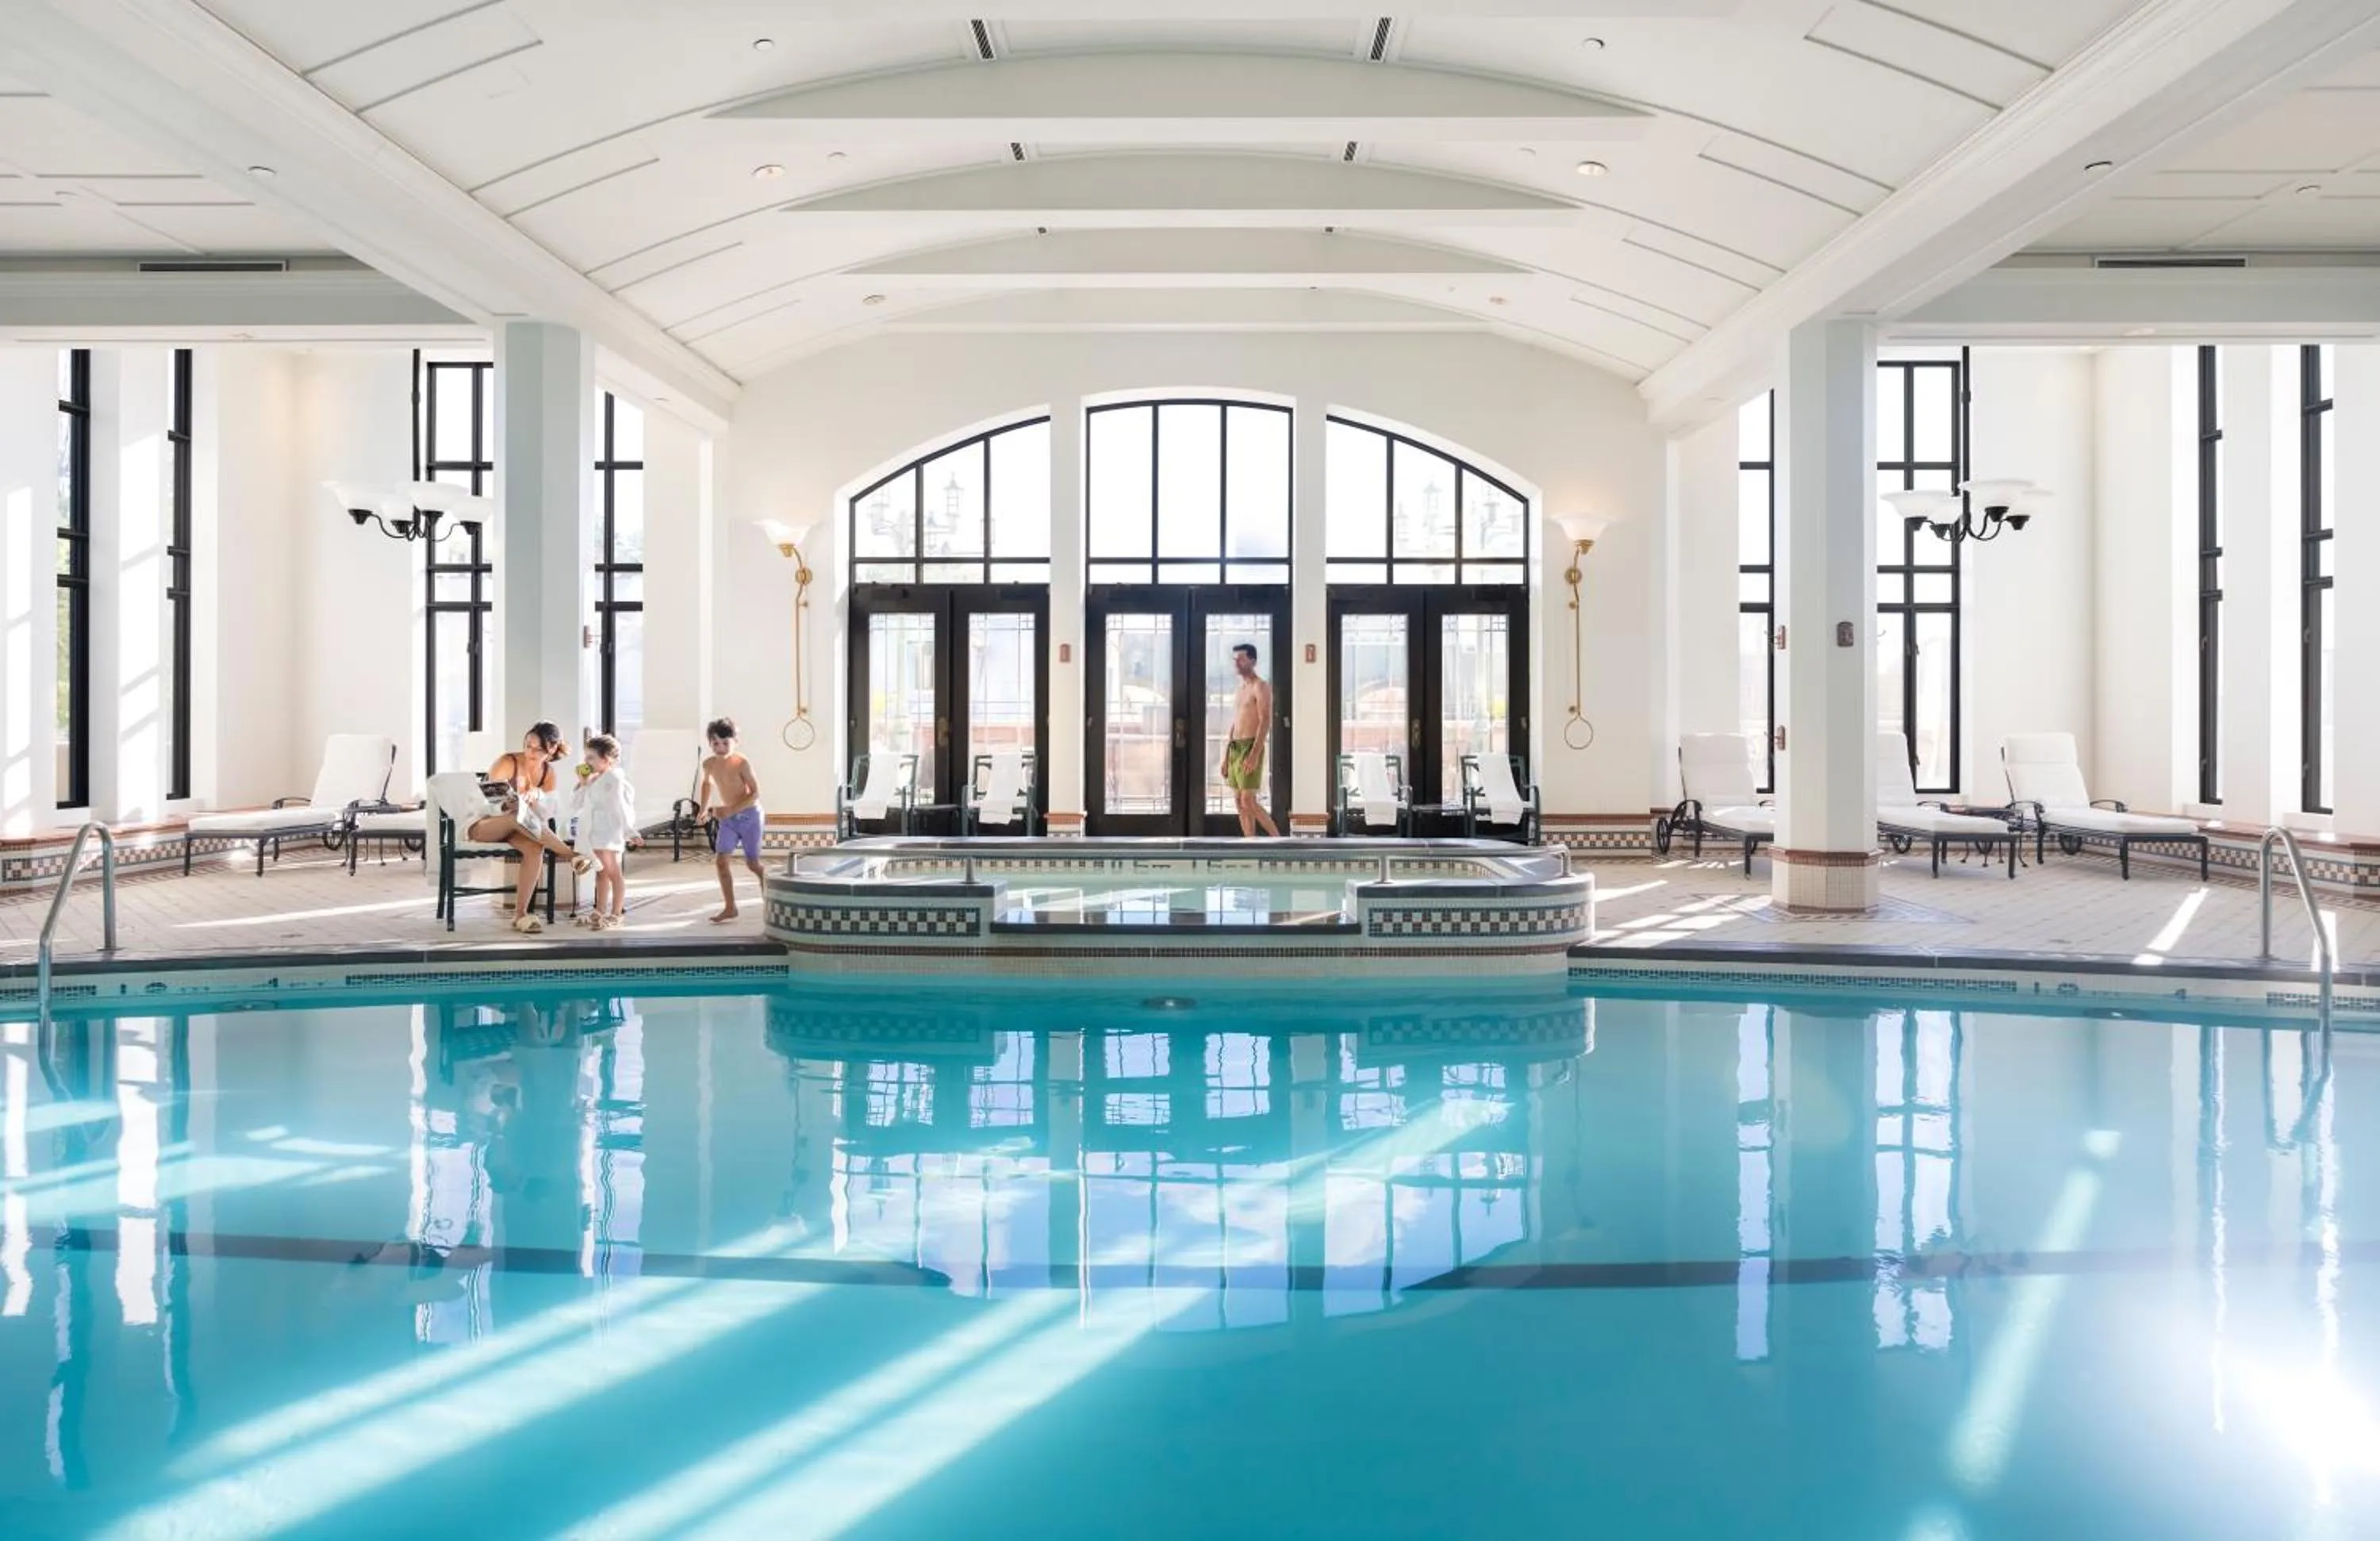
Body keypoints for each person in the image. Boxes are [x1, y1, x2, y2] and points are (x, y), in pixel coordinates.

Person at [467, 721, 590, 934]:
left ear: (551, 750)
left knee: (535, 849)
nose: (531, 752)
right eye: (528, 746)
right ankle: (572, 856)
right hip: (483, 824)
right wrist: (510, 804)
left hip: (517, 829)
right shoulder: (508, 762)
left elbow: (548, 814)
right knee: (517, 816)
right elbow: (485, 802)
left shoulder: (547, 773)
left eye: (538, 748)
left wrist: (537, 796)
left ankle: (520, 915)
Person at [697, 716, 766, 923]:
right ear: (710, 744)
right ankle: (730, 907)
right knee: (721, 862)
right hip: (729, 819)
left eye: (726, 743)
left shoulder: (741, 763)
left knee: (753, 864)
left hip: (749, 816)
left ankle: (770, 899)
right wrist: (703, 808)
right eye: (716, 743)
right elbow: (707, 784)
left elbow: (755, 793)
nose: (721, 747)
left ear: (736, 742)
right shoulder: (708, 764)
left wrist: (731, 810)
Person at [572, 732, 634, 930]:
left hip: (609, 833)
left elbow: (622, 806)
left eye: (591, 757)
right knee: (600, 873)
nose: (586, 762)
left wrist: (630, 831)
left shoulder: (614, 779)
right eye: (586, 757)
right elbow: (575, 804)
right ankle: (599, 911)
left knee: (613, 872)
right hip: (594, 833)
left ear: (606, 760)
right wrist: (583, 783)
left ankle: (616, 914)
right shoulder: (592, 780)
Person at [1221, 643, 1280, 838]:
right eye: (1235, 659)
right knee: (1239, 800)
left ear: (1252, 661)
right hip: (1236, 747)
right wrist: (1226, 756)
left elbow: (1265, 721)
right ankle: (1250, 843)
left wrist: (1254, 754)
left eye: (1241, 659)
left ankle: (1278, 840)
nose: (1236, 662)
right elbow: (1236, 723)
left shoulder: (1260, 687)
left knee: (1249, 800)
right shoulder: (1241, 689)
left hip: (1250, 746)